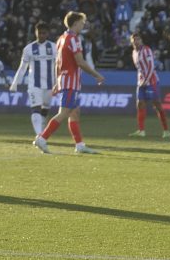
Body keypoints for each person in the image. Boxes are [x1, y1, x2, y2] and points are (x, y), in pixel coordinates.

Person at [33, 11, 104, 155]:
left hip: (66, 81)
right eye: (82, 23)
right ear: (75, 23)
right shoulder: (74, 39)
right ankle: (42, 138)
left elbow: (57, 63)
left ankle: (79, 145)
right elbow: (80, 62)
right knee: (64, 112)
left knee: (75, 113)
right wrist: (96, 75)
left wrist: (57, 81)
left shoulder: (61, 38)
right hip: (71, 82)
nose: (83, 25)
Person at [9, 22, 56, 136]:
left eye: (44, 33)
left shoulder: (54, 47)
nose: (41, 35)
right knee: (36, 108)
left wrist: (60, 81)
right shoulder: (28, 49)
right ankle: (39, 135)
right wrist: (15, 83)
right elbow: (22, 67)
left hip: (50, 84)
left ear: (48, 34)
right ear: (36, 33)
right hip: (34, 84)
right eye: (39, 33)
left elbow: (59, 65)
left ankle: (42, 133)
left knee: (45, 109)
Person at [129, 32, 170, 139]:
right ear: (131, 41)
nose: (136, 41)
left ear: (141, 40)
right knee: (140, 104)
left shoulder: (146, 50)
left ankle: (166, 130)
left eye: (138, 39)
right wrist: (141, 81)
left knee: (157, 105)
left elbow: (151, 67)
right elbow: (139, 69)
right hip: (141, 82)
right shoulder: (134, 52)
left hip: (151, 81)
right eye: (134, 39)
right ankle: (141, 130)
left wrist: (145, 80)